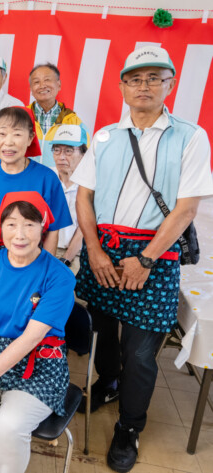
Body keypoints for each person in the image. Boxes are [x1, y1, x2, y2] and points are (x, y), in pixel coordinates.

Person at [72, 45, 213, 472]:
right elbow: (84, 197)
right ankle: (109, 382)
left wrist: (146, 259)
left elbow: (186, 208)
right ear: (122, 87)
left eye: (154, 78)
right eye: (135, 79)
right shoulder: (105, 137)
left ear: (170, 83)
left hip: (155, 255)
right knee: (102, 329)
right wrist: (93, 249)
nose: (144, 86)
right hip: (102, 251)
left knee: (139, 352)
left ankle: (130, 426)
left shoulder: (191, 136)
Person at [0, 191, 75, 473]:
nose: (20, 234)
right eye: (11, 224)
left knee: (9, 426)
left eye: (29, 225)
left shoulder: (59, 276)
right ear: (1, 227)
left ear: (42, 228)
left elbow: (31, 338)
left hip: (39, 364)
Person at [0, 106, 72, 262]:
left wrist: (44, 269)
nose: (8, 142)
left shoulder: (47, 178)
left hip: (31, 257)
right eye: (2, 134)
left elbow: (53, 230)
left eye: (17, 134)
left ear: (30, 138)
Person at [28, 63, 86, 169]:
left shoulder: (74, 122)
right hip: (26, 177)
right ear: (31, 89)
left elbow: (85, 159)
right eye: (36, 82)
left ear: (59, 85)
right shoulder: (21, 117)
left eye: (47, 80)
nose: (42, 85)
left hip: (58, 179)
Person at [51, 124, 88, 274]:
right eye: (57, 150)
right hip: (43, 250)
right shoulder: (46, 177)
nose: (61, 157)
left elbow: (85, 228)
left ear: (83, 154)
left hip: (76, 255)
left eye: (68, 151)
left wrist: (66, 259)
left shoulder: (90, 184)